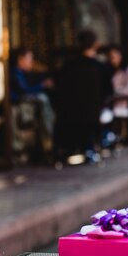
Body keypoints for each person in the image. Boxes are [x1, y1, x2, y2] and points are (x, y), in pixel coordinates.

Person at [54, 30, 114, 163]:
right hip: (93, 116)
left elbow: (60, 90)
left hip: (69, 116)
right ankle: (92, 147)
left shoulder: (68, 66)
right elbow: (108, 92)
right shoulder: (102, 67)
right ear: (96, 44)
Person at [9, 47, 55, 153]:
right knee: (43, 99)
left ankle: (48, 134)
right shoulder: (15, 73)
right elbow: (24, 90)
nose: (31, 62)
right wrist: (43, 85)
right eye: (29, 59)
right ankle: (49, 136)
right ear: (20, 59)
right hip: (18, 105)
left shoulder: (22, 73)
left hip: (22, 104)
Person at [100, 44, 128, 145]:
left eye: (114, 56)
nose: (112, 60)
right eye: (110, 57)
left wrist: (114, 95)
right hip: (112, 108)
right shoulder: (112, 71)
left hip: (125, 106)